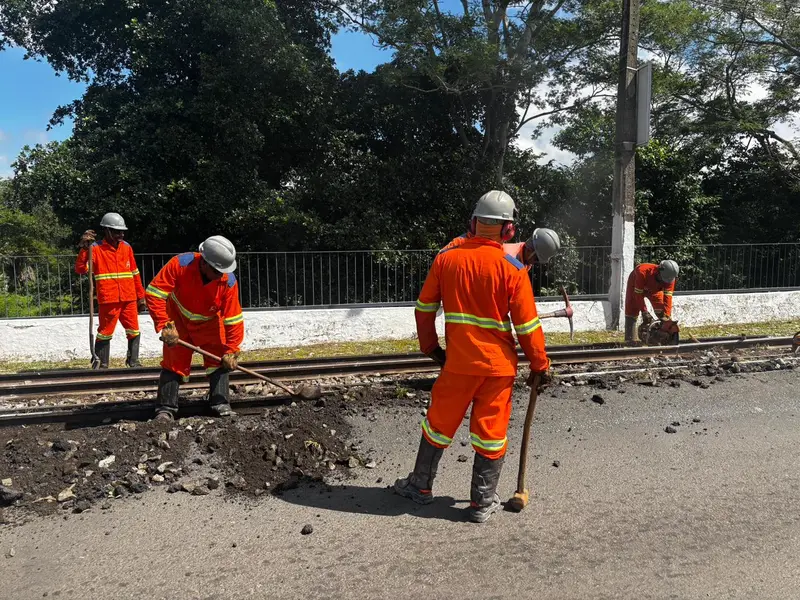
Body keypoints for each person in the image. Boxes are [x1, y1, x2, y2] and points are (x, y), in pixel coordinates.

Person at [394, 190, 551, 523]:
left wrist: (431, 348)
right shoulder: (513, 269)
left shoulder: (446, 258)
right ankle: (481, 502)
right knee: (491, 431)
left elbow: (424, 310)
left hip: (459, 365)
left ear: (473, 222)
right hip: (498, 370)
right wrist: (540, 365)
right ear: (508, 231)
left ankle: (419, 486)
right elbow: (527, 327)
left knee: (438, 424)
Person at [145, 235, 244, 421]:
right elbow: (154, 294)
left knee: (218, 359)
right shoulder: (180, 264)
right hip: (178, 320)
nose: (221, 275)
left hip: (210, 324)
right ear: (204, 263)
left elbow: (233, 319)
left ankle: (220, 403)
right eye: (217, 271)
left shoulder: (228, 282)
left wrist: (232, 350)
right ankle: (165, 409)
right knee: (173, 362)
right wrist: (165, 324)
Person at [75, 212, 146, 368]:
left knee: (134, 330)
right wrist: (84, 250)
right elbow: (80, 269)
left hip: (129, 298)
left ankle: (133, 361)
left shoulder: (127, 248)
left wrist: (141, 297)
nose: (121, 234)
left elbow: (135, 273)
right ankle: (102, 363)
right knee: (105, 332)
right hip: (109, 299)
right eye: (116, 231)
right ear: (106, 230)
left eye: (122, 231)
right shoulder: (94, 249)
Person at [624, 260, 680, 343]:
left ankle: (658, 336)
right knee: (632, 308)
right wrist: (644, 312)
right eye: (663, 279)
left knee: (662, 311)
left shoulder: (670, 278)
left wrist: (667, 317)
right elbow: (638, 295)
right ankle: (630, 340)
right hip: (635, 286)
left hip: (655, 290)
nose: (665, 282)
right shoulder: (642, 272)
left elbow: (667, 298)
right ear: (658, 271)